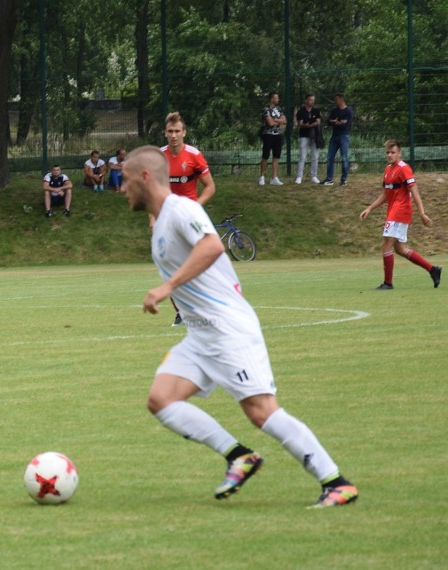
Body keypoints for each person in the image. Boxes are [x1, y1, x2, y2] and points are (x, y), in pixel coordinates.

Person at [122, 145, 359, 508]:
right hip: (201, 334)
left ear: (145, 177)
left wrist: (167, 287)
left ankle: (336, 482)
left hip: (227, 329)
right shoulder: (158, 223)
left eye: (124, 180)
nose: (120, 189)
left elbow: (213, 246)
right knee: (161, 399)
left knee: (262, 411)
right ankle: (238, 456)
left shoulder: (182, 209)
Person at [159, 112, 216, 327]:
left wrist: (194, 207)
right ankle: (181, 312)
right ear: (165, 133)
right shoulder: (159, 156)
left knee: (198, 266)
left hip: (191, 219)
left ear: (184, 132)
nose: (174, 135)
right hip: (168, 219)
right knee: (169, 269)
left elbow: (210, 187)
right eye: (170, 131)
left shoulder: (194, 155)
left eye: (177, 131)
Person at [359, 140, 441, 290]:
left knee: (386, 245)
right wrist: (370, 208)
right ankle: (433, 269)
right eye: (387, 153)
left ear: (399, 153)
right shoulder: (388, 169)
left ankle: (388, 283)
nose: (390, 155)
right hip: (393, 211)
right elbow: (385, 194)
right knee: (400, 249)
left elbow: (414, 191)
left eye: (393, 152)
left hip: (400, 211)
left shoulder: (404, 169)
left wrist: (422, 212)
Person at [322, 93, 353, 186]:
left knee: (344, 158)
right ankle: (329, 179)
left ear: (341, 99)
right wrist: (336, 122)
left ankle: (343, 179)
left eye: (336, 99)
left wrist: (337, 122)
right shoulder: (334, 111)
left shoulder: (348, 111)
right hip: (334, 136)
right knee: (330, 157)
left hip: (344, 136)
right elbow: (328, 121)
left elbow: (347, 124)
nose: (335, 101)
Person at [259, 91, 286, 186]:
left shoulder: (278, 109)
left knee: (276, 156)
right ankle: (262, 176)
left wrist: (275, 120)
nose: (278, 100)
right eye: (276, 98)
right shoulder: (265, 109)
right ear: (272, 99)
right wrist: (279, 121)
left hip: (278, 134)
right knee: (265, 155)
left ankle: (274, 177)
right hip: (268, 134)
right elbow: (269, 123)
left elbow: (285, 120)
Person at [295, 94, 321, 185]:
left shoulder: (316, 111)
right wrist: (308, 125)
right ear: (306, 100)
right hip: (304, 135)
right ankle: (299, 176)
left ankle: (314, 175)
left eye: (313, 100)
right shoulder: (301, 111)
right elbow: (301, 123)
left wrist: (314, 124)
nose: (312, 102)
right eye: (310, 100)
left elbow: (318, 121)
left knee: (315, 156)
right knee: (302, 156)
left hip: (314, 136)